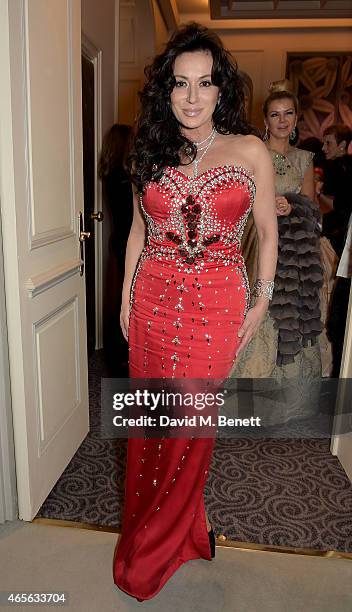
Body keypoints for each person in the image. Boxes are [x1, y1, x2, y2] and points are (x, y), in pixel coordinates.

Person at [113, 23, 277, 601]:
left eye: (204, 83)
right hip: (153, 299)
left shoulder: (249, 149)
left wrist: (261, 301)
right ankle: (185, 531)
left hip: (216, 305)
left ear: (220, 88)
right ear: (166, 90)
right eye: (180, 84)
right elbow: (136, 234)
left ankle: (153, 552)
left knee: (190, 429)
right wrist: (126, 298)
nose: (191, 97)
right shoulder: (150, 151)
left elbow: (266, 233)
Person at [231, 80, 324, 422]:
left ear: (296, 119)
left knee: (297, 317)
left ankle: (290, 402)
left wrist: (295, 204)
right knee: (259, 313)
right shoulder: (253, 152)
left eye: (288, 114)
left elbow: (314, 210)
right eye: (275, 114)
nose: (282, 121)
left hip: (299, 253)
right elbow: (240, 201)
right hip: (258, 243)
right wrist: (268, 204)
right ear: (265, 120)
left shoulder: (305, 159)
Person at [98, 124, 133, 375]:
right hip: (130, 241)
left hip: (118, 238)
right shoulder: (126, 178)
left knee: (121, 294)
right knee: (128, 298)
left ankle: (117, 352)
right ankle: (123, 352)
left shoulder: (110, 174)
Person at [319, 124, 352, 376]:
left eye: (328, 143)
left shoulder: (339, 169)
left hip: (334, 243)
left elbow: (338, 207)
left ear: (341, 145)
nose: (324, 148)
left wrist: (318, 193)